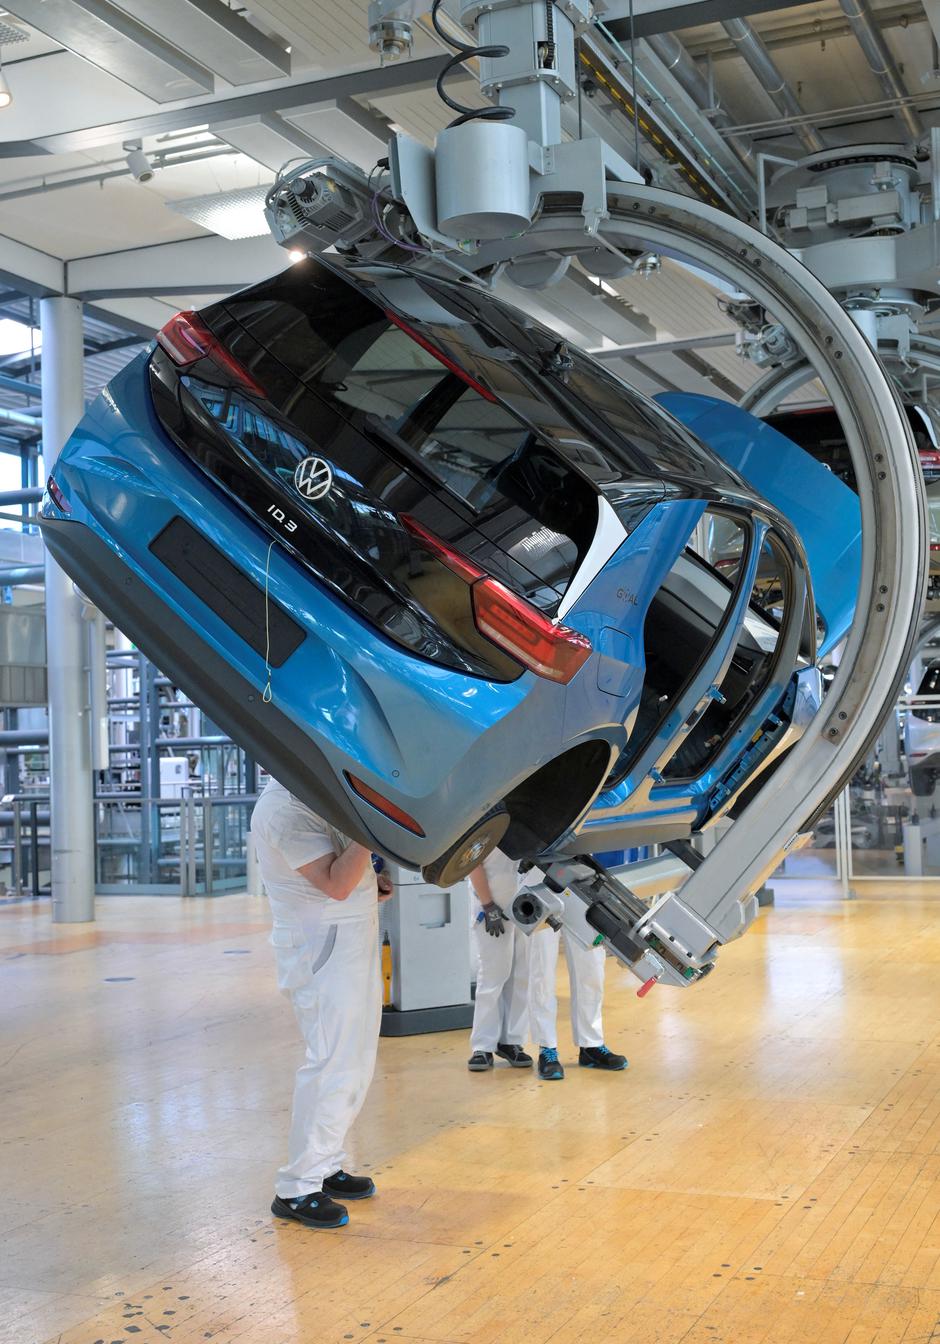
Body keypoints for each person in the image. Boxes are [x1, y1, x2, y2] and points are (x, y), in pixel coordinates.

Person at [251, 775, 393, 1230]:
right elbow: (336, 883)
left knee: (355, 1058)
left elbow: (345, 871)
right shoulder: (283, 810)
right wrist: (369, 830)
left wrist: (371, 878)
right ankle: (297, 1187)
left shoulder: (310, 797)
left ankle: (326, 1163)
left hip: (349, 937)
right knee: (332, 1060)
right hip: (321, 950)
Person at [529, 919, 627, 1081]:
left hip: (583, 904)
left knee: (592, 970)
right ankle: (546, 1047)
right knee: (542, 974)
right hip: (543, 903)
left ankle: (591, 1045)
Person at [466, 848, 534, 1072]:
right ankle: (482, 1046)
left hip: (525, 904)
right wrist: (488, 905)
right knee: (493, 975)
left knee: (521, 975)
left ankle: (511, 1041)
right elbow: (472, 862)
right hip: (492, 906)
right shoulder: (484, 824)